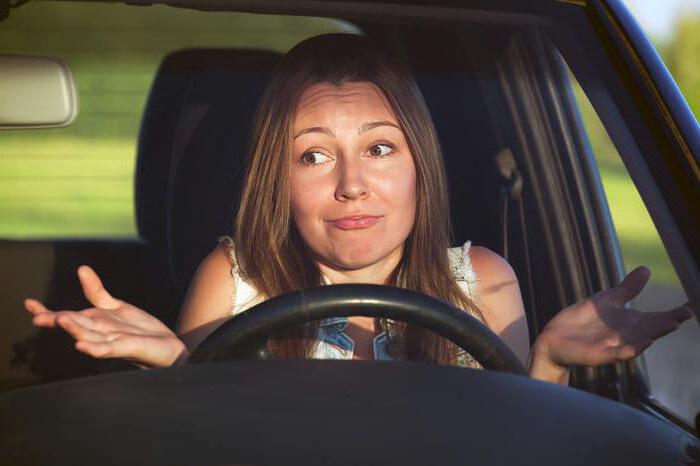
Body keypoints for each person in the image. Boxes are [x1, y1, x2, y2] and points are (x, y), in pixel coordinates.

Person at [24, 33, 691, 384]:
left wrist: (549, 361)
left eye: (379, 149)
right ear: (275, 179)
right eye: (313, 155)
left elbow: (508, 446)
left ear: (419, 165)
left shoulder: (483, 282)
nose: (351, 184)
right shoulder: (233, 280)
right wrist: (176, 367)